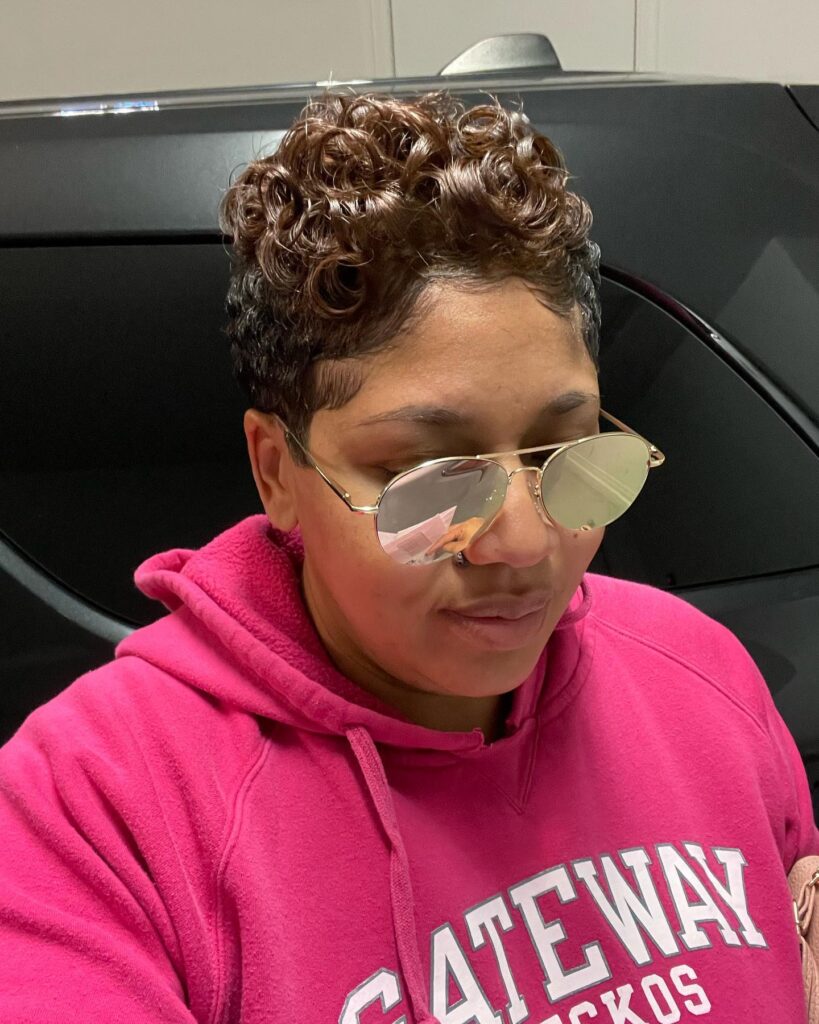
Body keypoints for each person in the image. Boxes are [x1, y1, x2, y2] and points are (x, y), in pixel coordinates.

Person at [0, 91, 815, 1024]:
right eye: (427, 475)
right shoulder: (97, 810)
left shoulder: (699, 671)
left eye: (564, 450)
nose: (523, 543)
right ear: (277, 472)